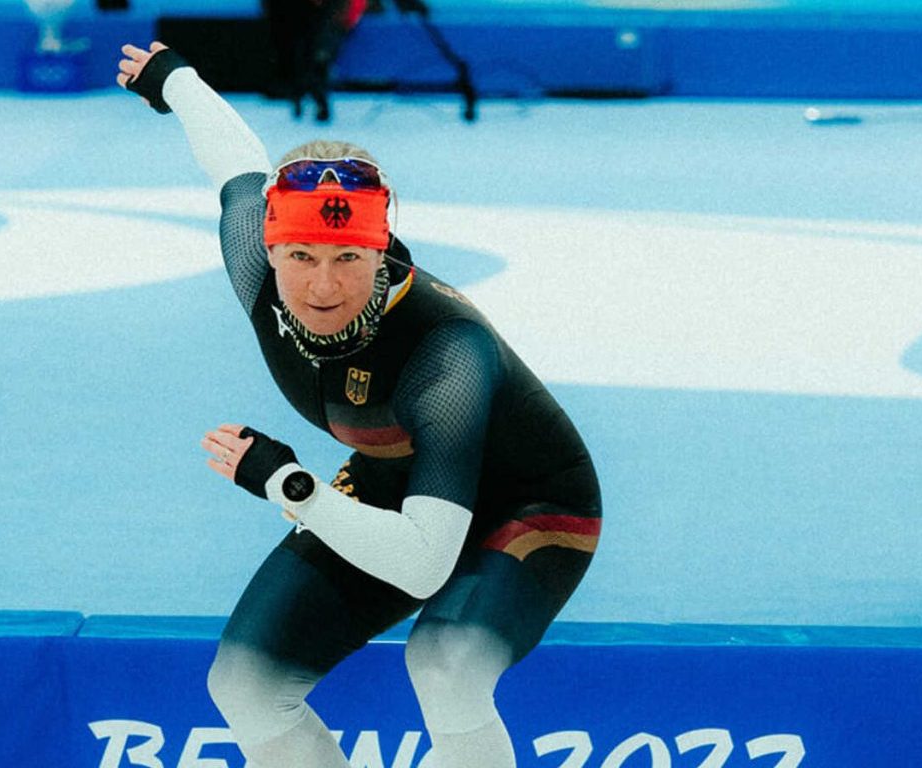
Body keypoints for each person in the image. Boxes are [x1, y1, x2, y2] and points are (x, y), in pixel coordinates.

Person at [116, 42, 602, 768]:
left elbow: (423, 568)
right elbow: (237, 166)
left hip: (529, 505)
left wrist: (291, 485)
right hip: (397, 477)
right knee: (245, 684)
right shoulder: (253, 255)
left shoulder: (447, 354)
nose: (321, 287)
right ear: (270, 248)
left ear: (383, 256)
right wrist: (174, 80)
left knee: (446, 665)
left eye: (349, 258)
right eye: (302, 256)